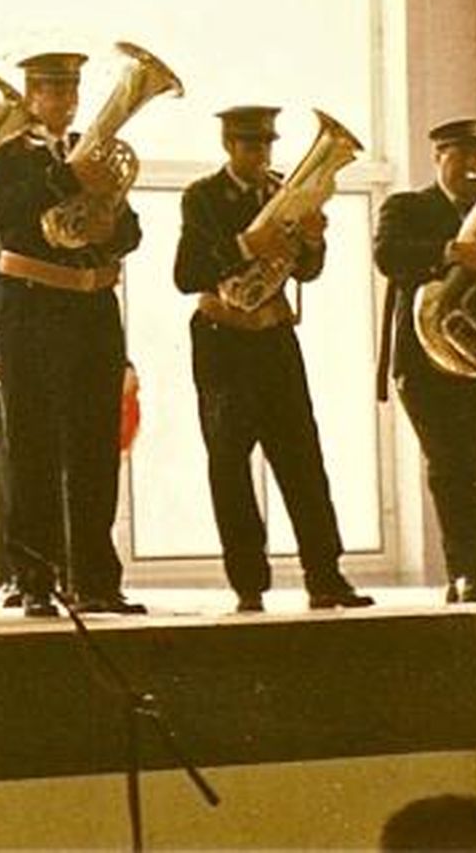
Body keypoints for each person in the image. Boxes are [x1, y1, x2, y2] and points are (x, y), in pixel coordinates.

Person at [174, 105, 372, 611]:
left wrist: (312, 242)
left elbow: (305, 272)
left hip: (274, 337)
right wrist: (246, 243)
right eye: (249, 146)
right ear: (229, 147)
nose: (260, 155)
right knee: (229, 462)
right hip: (222, 337)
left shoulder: (282, 191)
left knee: (302, 455)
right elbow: (187, 273)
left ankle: (325, 574)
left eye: (265, 146)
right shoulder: (202, 197)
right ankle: (248, 584)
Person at [0, 51, 143, 618]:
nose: (67, 101)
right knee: (32, 449)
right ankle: (35, 578)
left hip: (92, 304)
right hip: (32, 306)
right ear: (31, 97)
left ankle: (96, 579)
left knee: (95, 448)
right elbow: (3, 217)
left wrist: (110, 222)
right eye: (54, 91)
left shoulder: (92, 153)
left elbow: (130, 227)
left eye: (72, 90)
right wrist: (68, 176)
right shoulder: (6, 156)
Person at [375, 117, 476, 603]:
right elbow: (388, 255)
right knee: (450, 464)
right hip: (425, 361)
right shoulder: (408, 207)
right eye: (462, 156)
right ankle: (464, 571)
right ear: (438, 156)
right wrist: (452, 252)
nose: (473, 166)